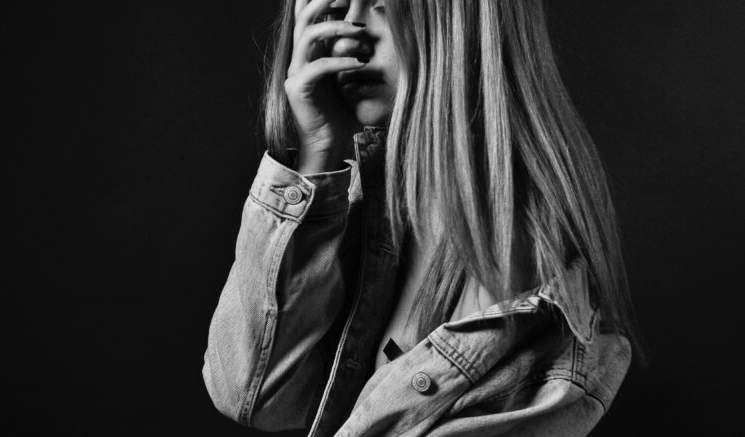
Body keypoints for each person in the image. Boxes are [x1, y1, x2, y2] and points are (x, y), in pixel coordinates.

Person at [203, 0, 641, 435]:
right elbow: (252, 397)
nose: (352, 28)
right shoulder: (363, 203)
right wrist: (317, 150)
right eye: (338, 5)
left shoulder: (523, 280)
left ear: (464, 20)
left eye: (382, 5)